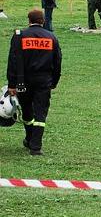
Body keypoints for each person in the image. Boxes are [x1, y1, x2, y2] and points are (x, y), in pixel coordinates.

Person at [6, 9, 62, 156]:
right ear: (43, 21)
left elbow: (13, 61)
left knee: (27, 111)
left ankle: (30, 138)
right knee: (40, 113)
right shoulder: (51, 37)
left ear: (29, 20)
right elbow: (57, 62)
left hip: (23, 81)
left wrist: (12, 84)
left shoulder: (19, 36)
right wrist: (54, 81)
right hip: (44, 81)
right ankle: (35, 146)